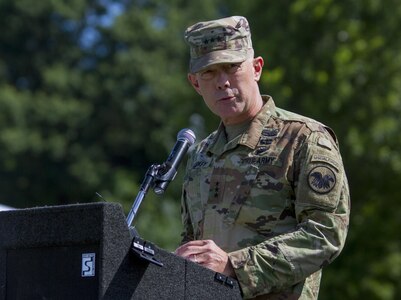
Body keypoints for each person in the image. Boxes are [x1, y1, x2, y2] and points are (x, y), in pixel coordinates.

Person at [174, 16, 350, 299]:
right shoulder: (199, 156)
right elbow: (191, 242)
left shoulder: (304, 138)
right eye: (209, 72)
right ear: (195, 83)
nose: (222, 82)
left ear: (256, 68)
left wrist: (234, 266)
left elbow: (325, 234)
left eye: (232, 67)